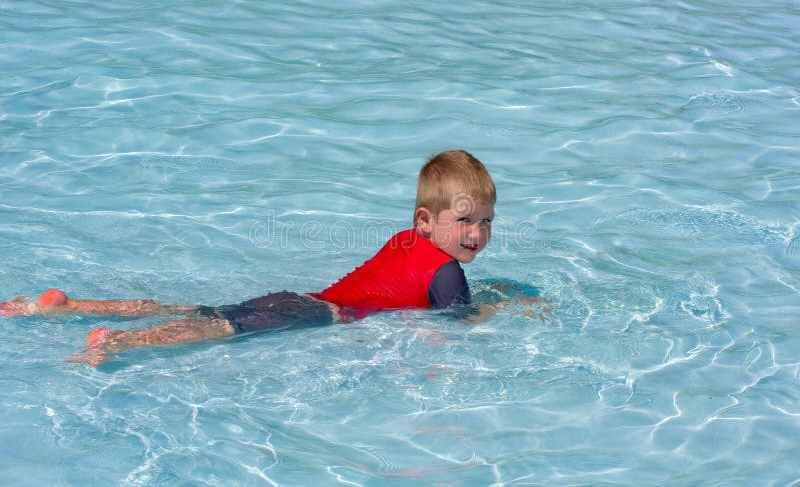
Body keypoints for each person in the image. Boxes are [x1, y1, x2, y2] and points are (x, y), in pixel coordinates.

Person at [1, 150, 545, 365]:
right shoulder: (447, 271)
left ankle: (67, 305)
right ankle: (117, 343)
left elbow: (399, 288)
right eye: (465, 219)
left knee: (200, 310)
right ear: (426, 221)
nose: (476, 233)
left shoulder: (408, 242)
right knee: (216, 328)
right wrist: (506, 306)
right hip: (315, 312)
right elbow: (455, 323)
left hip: (305, 300)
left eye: (487, 222)